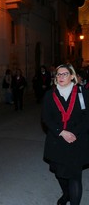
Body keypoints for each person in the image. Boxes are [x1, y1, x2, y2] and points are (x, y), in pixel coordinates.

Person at [42, 63, 89, 205]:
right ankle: (66, 193)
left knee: (75, 176)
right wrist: (61, 132)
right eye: (58, 74)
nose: (61, 77)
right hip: (57, 140)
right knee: (60, 173)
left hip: (77, 140)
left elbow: (87, 117)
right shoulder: (50, 94)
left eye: (65, 74)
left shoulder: (82, 93)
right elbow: (46, 117)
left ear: (72, 76)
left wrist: (73, 133)